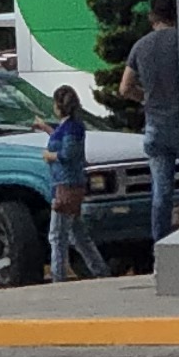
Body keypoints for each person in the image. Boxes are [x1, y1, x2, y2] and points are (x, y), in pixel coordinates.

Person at [120, 0, 179, 243]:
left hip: (155, 126)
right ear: (175, 14)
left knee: (161, 192)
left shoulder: (141, 46)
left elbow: (125, 88)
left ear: (151, 16)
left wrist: (146, 99)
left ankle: (160, 246)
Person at [43, 84, 103, 283]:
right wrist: (46, 128)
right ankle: (100, 270)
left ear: (59, 105)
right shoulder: (69, 126)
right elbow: (61, 140)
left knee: (57, 235)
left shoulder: (72, 128)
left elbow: (68, 153)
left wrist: (50, 156)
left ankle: (58, 276)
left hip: (66, 185)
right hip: (67, 183)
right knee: (77, 233)